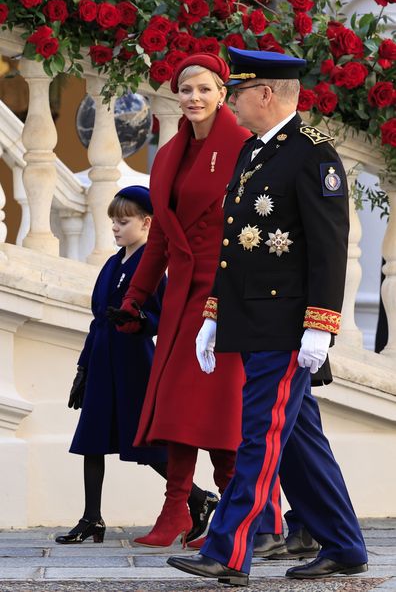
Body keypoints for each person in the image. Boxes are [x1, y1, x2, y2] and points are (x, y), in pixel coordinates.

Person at [167, 47, 368, 584]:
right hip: (254, 321)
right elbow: (238, 248)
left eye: (235, 93)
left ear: (265, 94)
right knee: (299, 441)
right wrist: (214, 314)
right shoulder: (255, 153)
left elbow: (329, 248)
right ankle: (345, 546)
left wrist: (320, 326)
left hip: (286, 327)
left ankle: (228, 551)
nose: (229, 103)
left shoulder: (312, 154)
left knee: (259, 435)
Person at [108, 54, 251, 548]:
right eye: (186, 89)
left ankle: (240, 515)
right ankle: (177, 512)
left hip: (227, 293)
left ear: (222, 93)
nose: (193, 98)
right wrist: (135, 298)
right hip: (181, 299)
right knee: (178, 406)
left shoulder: (244, 147)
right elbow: (164, 240)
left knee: (217, 406)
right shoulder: (167, 154)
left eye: (204, 89)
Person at [55, 186, 210, 544]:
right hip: (102, 361)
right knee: (90, 439)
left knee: (147, 446)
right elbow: (97, 321)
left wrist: (139, 320)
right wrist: (83, 369)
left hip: (134, 364)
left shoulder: (151, 265)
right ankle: (91, 518)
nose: (114, 228)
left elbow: (161, 318)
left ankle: (199, 499)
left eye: (123, 221)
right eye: (113, 221)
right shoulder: (112, 264)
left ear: (147, 223)